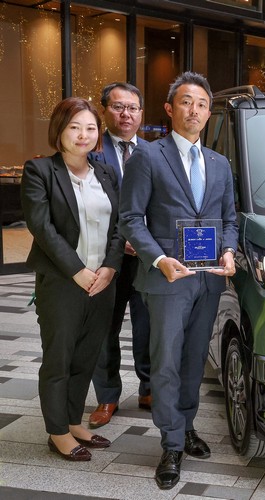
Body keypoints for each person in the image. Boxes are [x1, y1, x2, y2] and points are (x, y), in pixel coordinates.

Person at [119, 71, 238, 489]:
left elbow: (228, 219)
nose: (195, 110)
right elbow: (130, 218)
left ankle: (185, 426)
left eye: (202, 104)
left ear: (209, 113)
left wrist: (228, 250)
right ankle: (170, 444)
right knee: (166, 361)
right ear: (170, 109)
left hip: (207, 280)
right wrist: (158, 259)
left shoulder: (220, 164)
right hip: (167, 279)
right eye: (186, 101)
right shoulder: (148, 157)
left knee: (193, 360)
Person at [21, 97, 123, 461]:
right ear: (59, 130)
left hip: (102, 282)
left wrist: (110, 267)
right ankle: (57, 432)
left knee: (86, 356)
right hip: (63, 282)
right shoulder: (40, 171)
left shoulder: (106, 173)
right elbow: (42, 227)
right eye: (74, 127)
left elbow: (120, 225)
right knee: (59, 358)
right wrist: (78, 271)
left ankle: (73, 421)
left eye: (90, 128)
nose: (83, 135)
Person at [88, 82, 152, 428]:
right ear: (104, 111)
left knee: (149, 326)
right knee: (104, 329)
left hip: (147, 259)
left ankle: (149, 388)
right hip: (106, 259)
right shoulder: (90, 152)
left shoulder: (156, 153)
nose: (126, 114)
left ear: (141, 113)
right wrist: (120, 241)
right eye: (118, 107)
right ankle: (108, 396)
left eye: (132, 108)